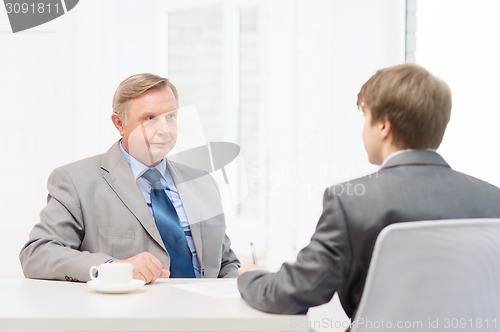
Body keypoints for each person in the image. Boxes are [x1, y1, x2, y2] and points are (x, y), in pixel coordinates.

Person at [237, 63, 500, 320]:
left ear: (383, 126)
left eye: (366, 117)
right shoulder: (493, 201)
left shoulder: (351, 201)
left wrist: (250, 275)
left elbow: (292, 292)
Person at [20, 73, 240, 283]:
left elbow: (224, 263)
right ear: (119, 124)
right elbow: (37, 254)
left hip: (206, 317)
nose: (165, 130)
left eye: (170, 116)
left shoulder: (202, 183)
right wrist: (112, 267)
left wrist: (245, 279)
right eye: (150, 118)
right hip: (129, 317)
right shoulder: (76, 181)